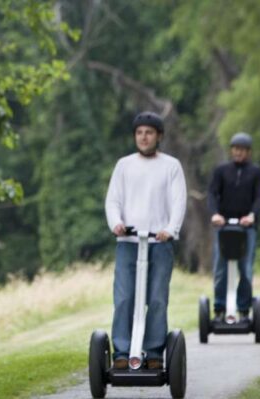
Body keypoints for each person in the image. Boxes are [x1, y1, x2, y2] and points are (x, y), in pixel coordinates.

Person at [105, 111, 187, 370]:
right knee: (124, 298)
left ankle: (153, 353)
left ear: (159, 136)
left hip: (159, 243)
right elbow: (113, 200)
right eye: (139, 133)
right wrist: (116, 223)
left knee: (157, 299)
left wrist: (170, 229)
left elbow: (178, 201)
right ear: (134, 136)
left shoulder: (171, 165)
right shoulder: (124, 165)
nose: (143, 137)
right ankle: (121, 352)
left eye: (149, 132)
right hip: (128, 242)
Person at [208, 132, 260, 323]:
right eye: (235, 149)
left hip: (246, 227)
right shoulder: (222, 170)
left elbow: (259, 197)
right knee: (220, 268)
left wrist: (252, 216)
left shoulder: (256, 172)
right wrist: (215, 214)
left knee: (245, 268)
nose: (238, 152)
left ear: (248, 152)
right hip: (224, 226)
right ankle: (219, 308)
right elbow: (212, 194)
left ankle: (243, 309)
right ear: (231, 150)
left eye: (242, 149)